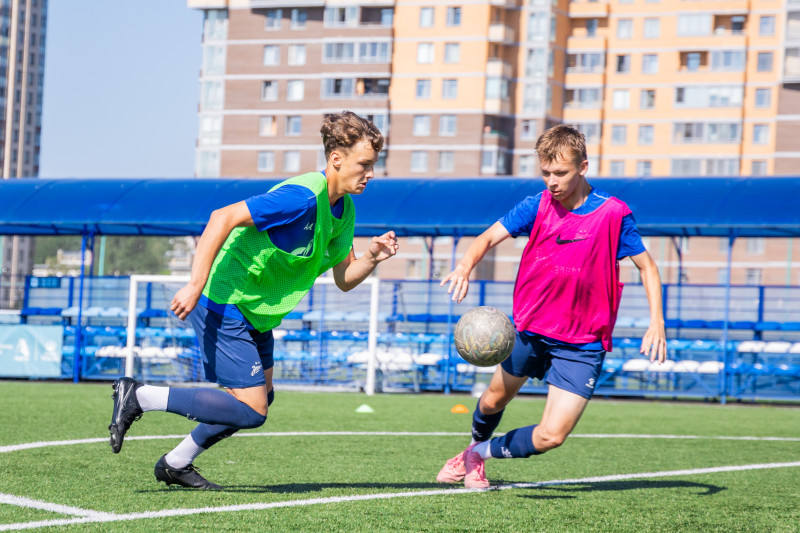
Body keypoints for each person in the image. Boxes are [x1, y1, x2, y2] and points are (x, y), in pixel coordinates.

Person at [108, 111, 398, 489]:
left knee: (263, 399)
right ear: (336, 159)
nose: (370, 173)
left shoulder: (345, 210)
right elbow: (221, 217)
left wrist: (373, 257)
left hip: (256, 313)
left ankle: (176, 463)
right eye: (365, 164)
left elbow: (344, 278)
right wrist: (195, 283)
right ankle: (141, 395)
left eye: (373, 165)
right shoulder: (301, 197)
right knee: (251, 408)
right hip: (226, 300)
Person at [435, 124, 666, 489]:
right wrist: (464, 266)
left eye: (561, 173)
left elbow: (648, 267)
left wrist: (657, 322)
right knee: (493, 400)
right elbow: (487, 237)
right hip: (530, 330)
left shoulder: (613, 214)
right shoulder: (536, 205)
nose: (552, 182)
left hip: (582, 343)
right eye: (545, 173)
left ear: (583, 167)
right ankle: (472, 448)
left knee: (551, 436)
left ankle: (477, 454)